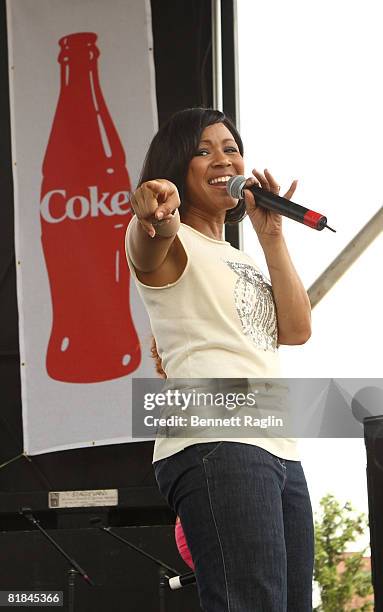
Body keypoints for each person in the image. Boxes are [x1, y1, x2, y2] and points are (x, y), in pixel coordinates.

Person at [125, 108, 314, 611]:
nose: (222, 159)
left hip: (278, 447)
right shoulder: (172, 238)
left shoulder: (241, 256)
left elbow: (296, 330)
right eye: (203, 150)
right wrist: (153, 212)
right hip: (218, 440)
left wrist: (271, 233)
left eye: (230, 148)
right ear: (176, 165)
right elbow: (148, 242)